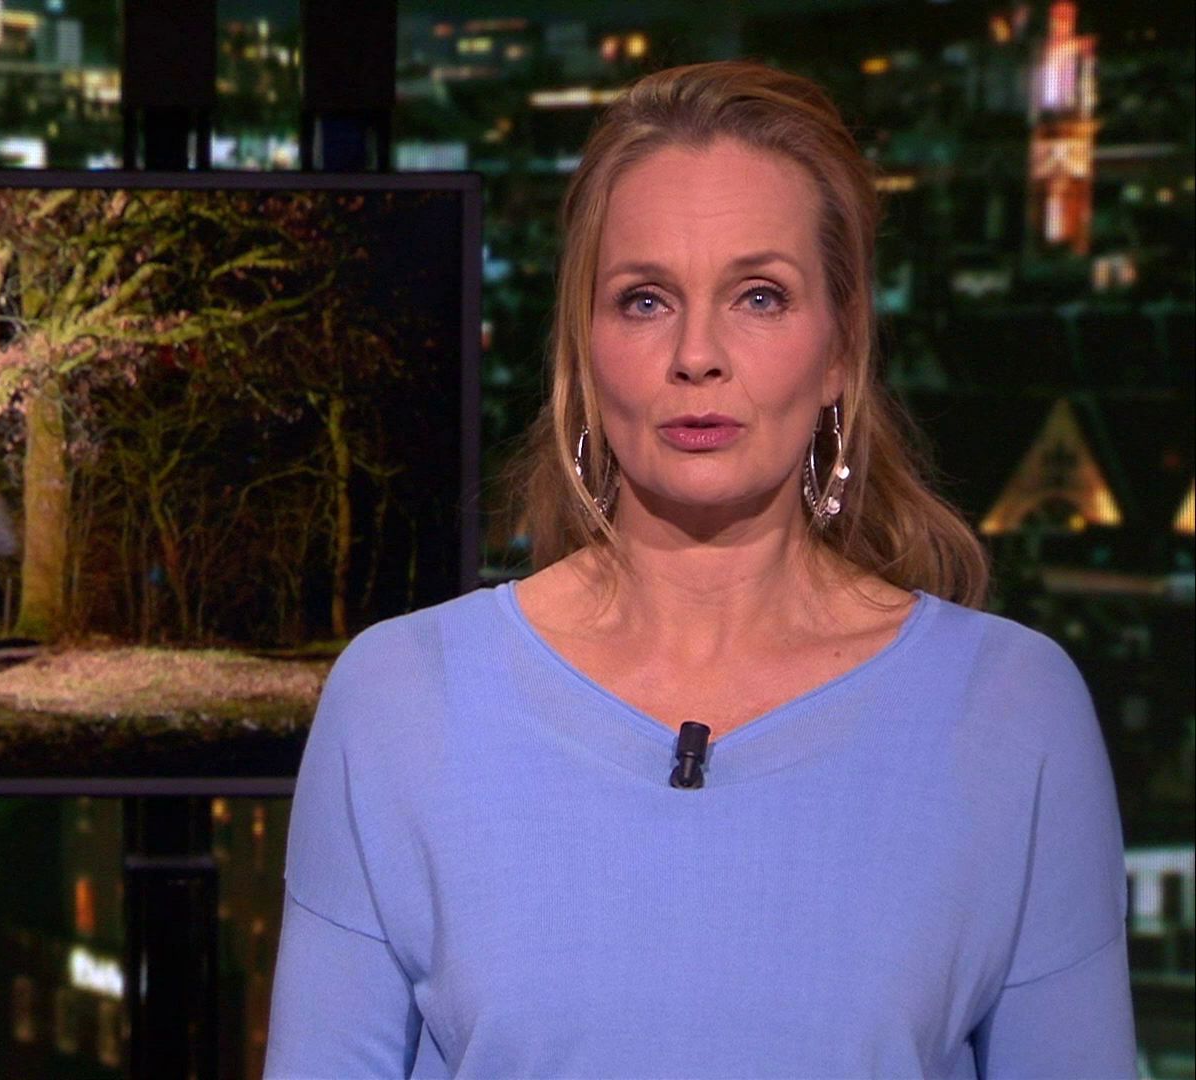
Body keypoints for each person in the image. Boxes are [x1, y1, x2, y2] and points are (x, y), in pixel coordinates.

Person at [264, 61, 1135, 1078]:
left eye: (760, 296)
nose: (697, 355)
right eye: (645, 300)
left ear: (841, 348)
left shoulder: (1012, 712)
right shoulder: (401, 700)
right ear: (585, 349)